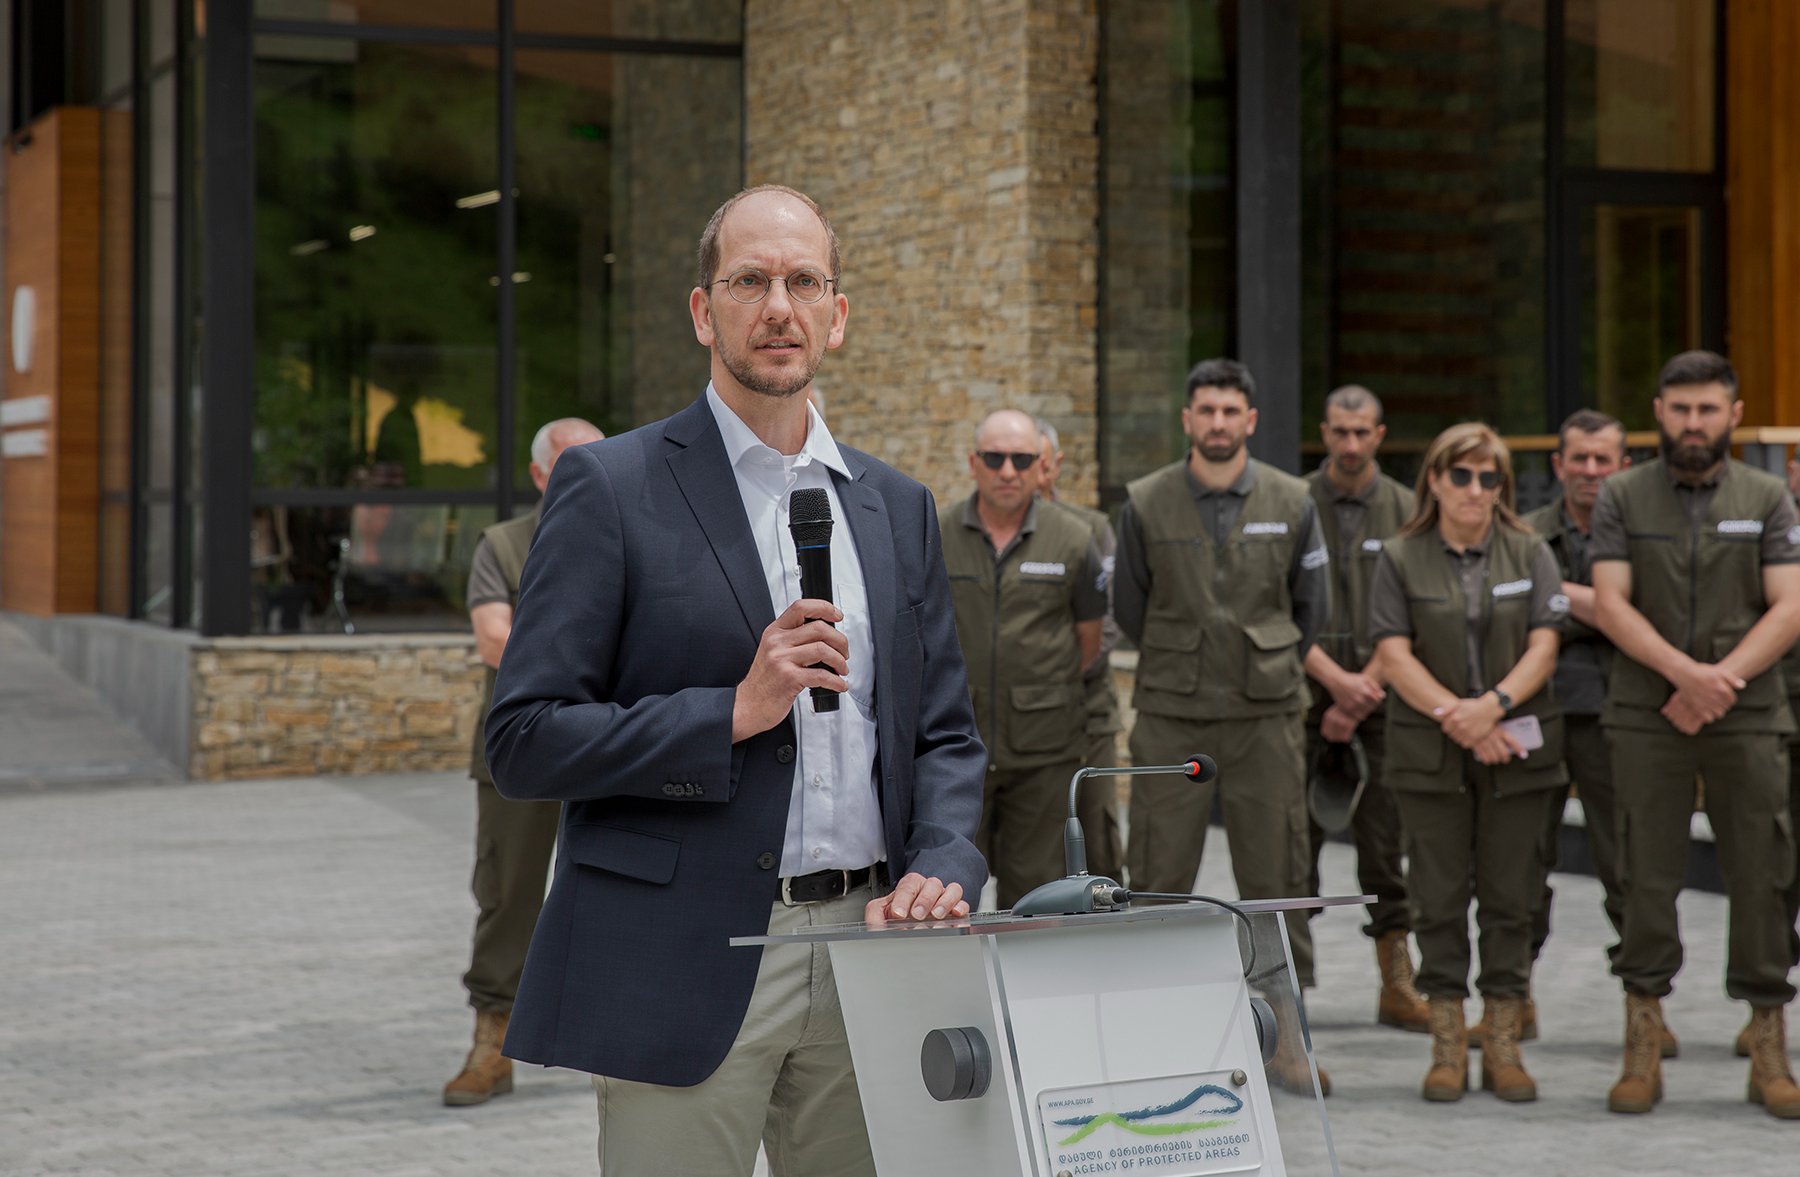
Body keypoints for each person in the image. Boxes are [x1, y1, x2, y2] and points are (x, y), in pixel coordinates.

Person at [484, 185, 987, 1174]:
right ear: (702, 311)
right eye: (749, 280)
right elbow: (524, 738)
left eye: (805, 282)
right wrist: (733, 712)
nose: (778, 307)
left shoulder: (897, 505)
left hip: (869, 947)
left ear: (838, 315)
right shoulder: (612, 486)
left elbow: (945, 735)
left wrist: (944, 860)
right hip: (684, 955)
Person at [1590, 350, 1800, 1119]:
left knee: (1763, 872)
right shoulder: (1622, 494)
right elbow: (1610, 601)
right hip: (1649, 713)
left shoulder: (1766, 496)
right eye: (1680, 409)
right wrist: (1685, 676)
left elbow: (1790, 604)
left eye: (1707, 409)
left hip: (1746, 710)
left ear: (1734, 414)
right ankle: (1643, 1040)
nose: (1692, 423)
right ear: (1658, 411)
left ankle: (1768, 1042)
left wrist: (1719, 683)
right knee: (1644, 872)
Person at [1115, 357, 1332, 1094]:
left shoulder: (1292, 499)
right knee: (1157, 876)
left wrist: (1259, 660)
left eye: (1229, 411)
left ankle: (1286, 1038)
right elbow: (1130, 608)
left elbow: (1312, 607)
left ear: (1250, 420)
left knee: (1276, 876)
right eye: (1205, 410)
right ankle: (1154, 1037)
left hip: (1265, 715)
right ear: (1187, 419)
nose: (1217, 422)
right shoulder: (1145, 501)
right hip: (1172, 713)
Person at [1370, 423, 1568, 1104]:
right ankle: (1448, 1044)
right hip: (1431, 754)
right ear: (1434, 479)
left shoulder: (1530, 549)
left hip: (1516, 753)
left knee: (1513, 898)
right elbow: (1393, 654)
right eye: (1462, 475)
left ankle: (1504, 1042)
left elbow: (1545, 645)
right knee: (1437, 897)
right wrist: (1459, 716)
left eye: (1490, 478)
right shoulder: (1400, 556)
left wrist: (1493, 706)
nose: (1476, 490)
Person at [443, 416, 604, 1107]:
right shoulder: (503, 544)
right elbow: (493, 639)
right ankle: (492, 1042)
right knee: (508, 893)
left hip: (613, 743)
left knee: (627, 883)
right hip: (523, 746)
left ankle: (621, 1038)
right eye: (572, 463)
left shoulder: (634, 532)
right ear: (540, 475)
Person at [1301, 385, 1426, 1034]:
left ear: (1380, 434)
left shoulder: (1408, 509)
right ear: (1324, 432)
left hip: (1383, 702)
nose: (1350, 443)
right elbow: (1274, 603)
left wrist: (1360, 691)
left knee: (1386, 843)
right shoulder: (1292, 502)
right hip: (1301, 698)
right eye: (1339, 431)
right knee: (1292, 847)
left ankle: (1397, 983)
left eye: (1362, 432)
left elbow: (1417, 607)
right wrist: (1331, 682)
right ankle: (1290, 987)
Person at [941, 411, 1105, 906]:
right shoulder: (936, 533)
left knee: (1036, 897)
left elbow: (1089, 640)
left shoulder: (1073, 538)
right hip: (956, 746)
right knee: (948, 891)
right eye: (994, 459)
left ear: (1041, 466)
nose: (1008, 471)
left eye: (1021, 459)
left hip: (1044, 752)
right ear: (973, 463)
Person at [1516, 409, 1635, 1053]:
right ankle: (1513, 999)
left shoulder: (1641, 529)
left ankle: (1644, 1004)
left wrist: (1556, 593)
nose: (1591, 470)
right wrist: (1603, 608)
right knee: (1520, 862)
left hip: (1619, 715)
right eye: (1579, 459)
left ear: (1622, 465)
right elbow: (1507, 608)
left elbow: (1644, 614)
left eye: (1602, 459)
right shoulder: (1524, 532)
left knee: (1628, 865)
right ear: (1558, 465)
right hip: (1538, 711)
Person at [1036, 416, 1126, 878]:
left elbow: (1108, 621)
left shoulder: (1091, 528)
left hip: (1087, 713)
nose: (1027, 474)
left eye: (1037, 462)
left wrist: (1048, 677)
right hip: (1013, 725)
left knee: (1097, 844)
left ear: (1055, 465)